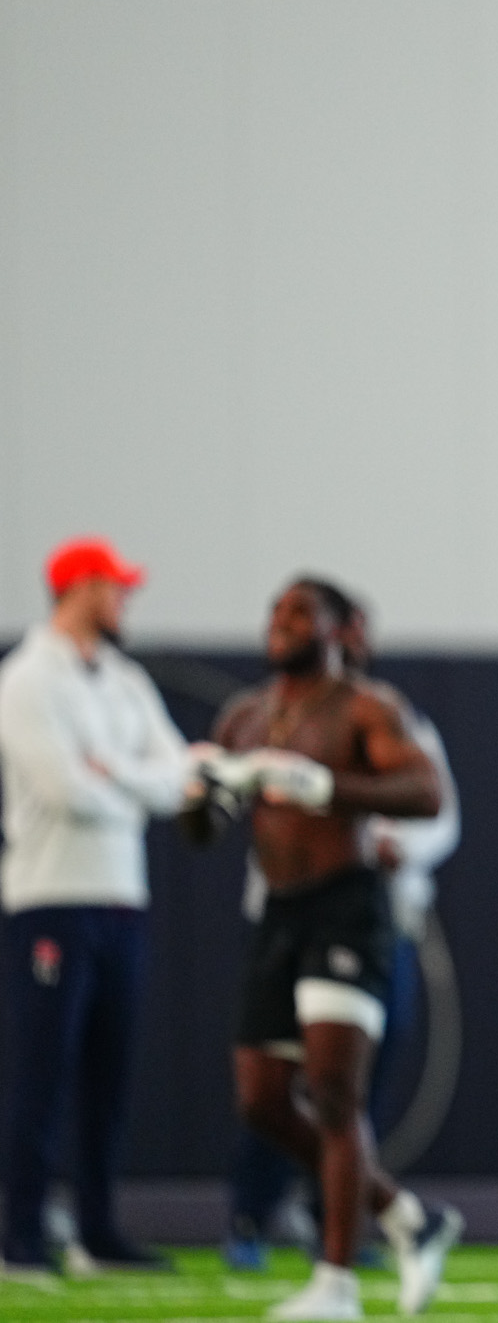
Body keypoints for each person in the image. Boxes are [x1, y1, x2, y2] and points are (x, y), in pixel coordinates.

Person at [188, 579, 461, 1320]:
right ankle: (406, 1214)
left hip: (348, 906)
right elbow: (204, 829)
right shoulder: (245, 715)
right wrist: (202, 795)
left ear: (339, 630)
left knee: (336, 1092)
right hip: (276, 911)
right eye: (276, 611)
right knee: (263, 1100)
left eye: (301, 613)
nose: (282, 624)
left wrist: (324, 786)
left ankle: (335, 1282)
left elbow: (427, 793)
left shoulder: (368, 706)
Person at [0, 539, 192, 1275]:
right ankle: (20, 1231)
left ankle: (97, 1228)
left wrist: (121, 774)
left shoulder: (123, 678)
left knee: (108, 1078)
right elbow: (64, 790)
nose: (124, 601)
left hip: (121, 898)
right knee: (43, 1071)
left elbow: (180, 777)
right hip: (51, 900)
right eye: (114, 587)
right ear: (78, 587)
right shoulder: (26, 678)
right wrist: (139, 782)